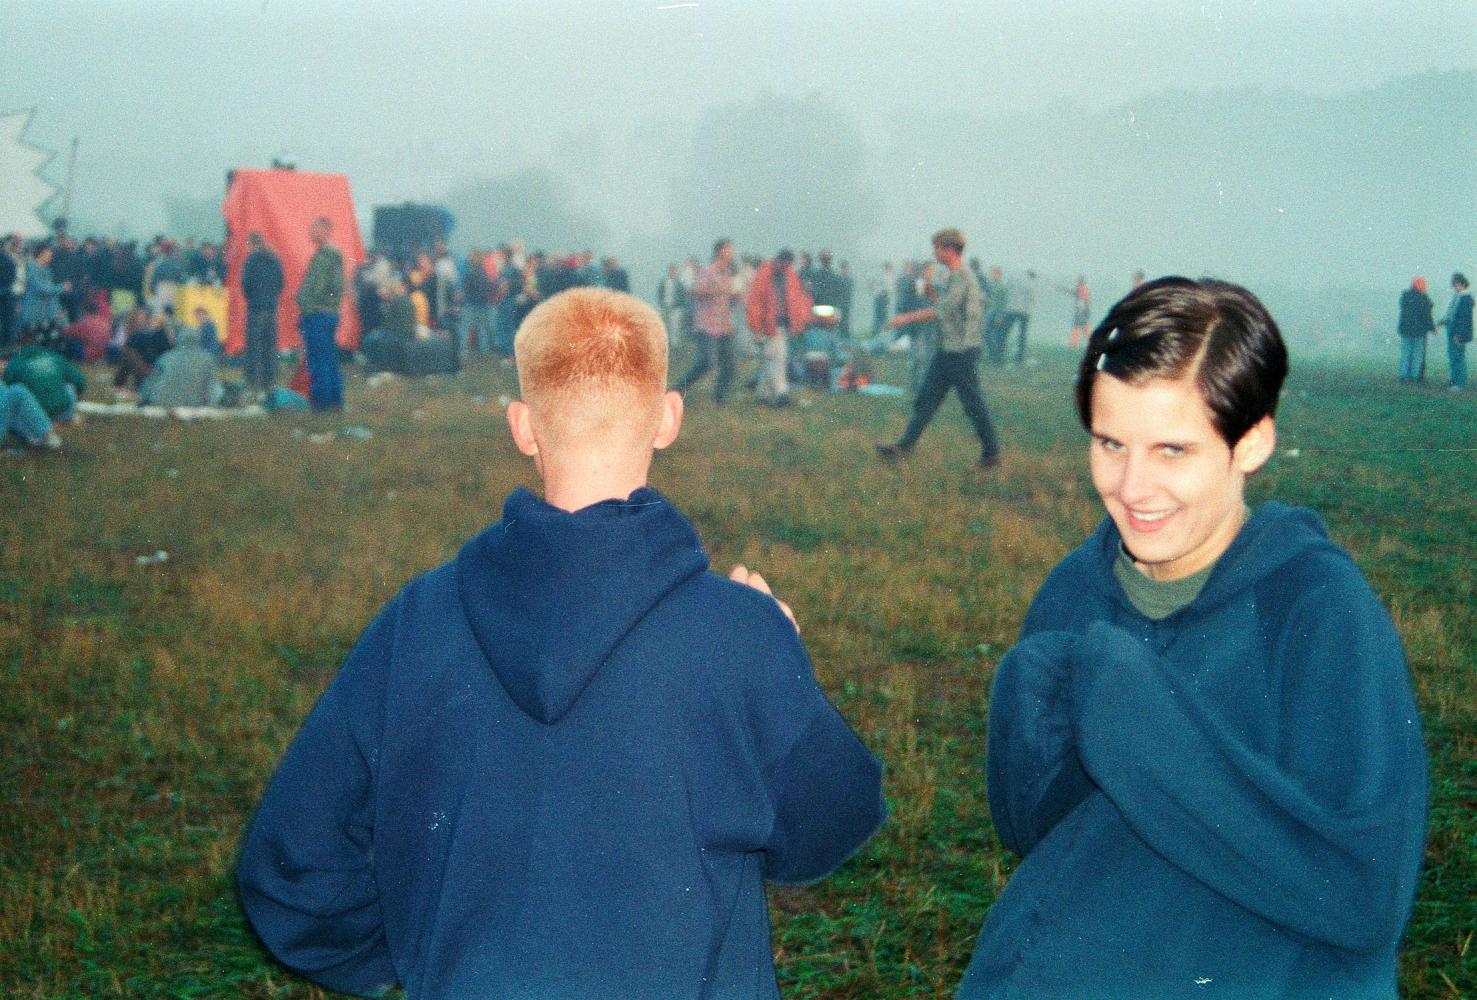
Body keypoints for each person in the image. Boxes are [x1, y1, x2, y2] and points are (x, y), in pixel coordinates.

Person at [236, 286, 885, 998]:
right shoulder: (740, 632)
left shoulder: (418, 619)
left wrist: (422, 955)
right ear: (669, 416)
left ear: (523, 426)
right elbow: (829, 825)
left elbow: (291, 869)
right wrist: (782, 658)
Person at [962, 277, 1427, 999]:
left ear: (1251, 443)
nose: (1131, 486)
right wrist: (1023, 717)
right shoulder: (1076, 592)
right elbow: (1035, 832)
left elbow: (1364, 896)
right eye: (1109, 444)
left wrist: (1134, 717)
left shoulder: (1317, 610)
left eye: (1172, 451)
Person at [876, 228, 1001, 472]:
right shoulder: (954, 276)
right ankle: (903, 447)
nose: (934, 252)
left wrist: (904, 318)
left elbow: (941, 312)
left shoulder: (962, 276)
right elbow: (947, 306)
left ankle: (992, 453)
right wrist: (931, 292)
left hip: (960, 350)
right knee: (927, 399)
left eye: (937, 248)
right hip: (949, 348)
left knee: (972, 403)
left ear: (950, 249)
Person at [673, 237, 739, 403]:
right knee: (708, 362)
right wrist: (712, 290)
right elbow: (695, 291)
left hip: (724, 325)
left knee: (729, 365)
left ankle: (720, 397)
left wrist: (733, 297)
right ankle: (678, 389)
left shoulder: (728, 273)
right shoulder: (708, 271)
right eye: (729, 249)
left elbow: (727, 297)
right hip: (707, 324)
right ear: (720, 251)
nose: (732, 253)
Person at [745, 249, 812, 407]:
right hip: (768, 326)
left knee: (772, 358)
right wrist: (756, 328)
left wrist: (800, 320)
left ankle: (763, 394)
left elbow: (797, 299)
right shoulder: (765, 274)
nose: (786, 267)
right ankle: (781, 394)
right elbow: (755, 303)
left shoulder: (789, 274)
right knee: (778, 359)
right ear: (780, 260)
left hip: (781, 325)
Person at [296, 217, 346, 412]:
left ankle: (321, 403)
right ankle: (335, 401)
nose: (310, 232)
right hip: (328, 313)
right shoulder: (332, 256)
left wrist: (306, 304)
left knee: (318, 361)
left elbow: (315, 288)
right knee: (329, 359)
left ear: (325, 231)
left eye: (314, 229)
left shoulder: (325, 256)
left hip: (318, 314)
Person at [241, 232, 285, 396]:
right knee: (269, 346)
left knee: (254, 347)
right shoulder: (275, 259)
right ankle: (269, 381)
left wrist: (252, 297)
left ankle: (253, 382)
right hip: (271, 307)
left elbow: (246, 283)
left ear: (252, 244)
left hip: (255, 307)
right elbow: (281, 283)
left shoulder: (252, 260)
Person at [3, 342, 85, 423]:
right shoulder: (55, 358)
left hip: (35, 415)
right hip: (64, 413)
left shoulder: (15, 363)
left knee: (19, 390)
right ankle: (68, 417)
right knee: (69, 385)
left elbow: (7, 386)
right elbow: (79, 381)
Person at [1435, 271, 1472, 391]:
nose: (1455, 287)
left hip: (1457, 333)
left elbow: (1464, 320)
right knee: (1453, 357)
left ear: (1462, 284)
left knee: (1458, 358)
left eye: (1456, 284)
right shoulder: (1458, 296)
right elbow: (1451, 314)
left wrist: (1458, 335)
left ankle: (1460, 384)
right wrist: (1443, 321)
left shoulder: (1465, 298)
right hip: (1451, 330)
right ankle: (1454, 380)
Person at [1397, 276, 1436, 383]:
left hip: (1405, 330)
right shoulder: (1424, 298)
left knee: (1406, 353)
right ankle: (1415, 376)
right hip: (1419, 331)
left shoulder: (1405, 296)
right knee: (1417, 355)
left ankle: (1404, 376)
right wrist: (1432, 328)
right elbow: (1427, 315)